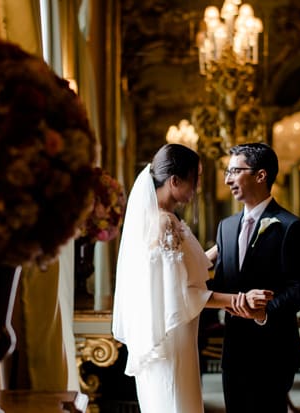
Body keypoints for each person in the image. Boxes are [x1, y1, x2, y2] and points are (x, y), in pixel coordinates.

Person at [112, 143, 272, 413]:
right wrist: (240, 300)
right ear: (174, 181)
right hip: (173, 338)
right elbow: (181, 294)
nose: (197, 187)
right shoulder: (165, 224)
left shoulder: (161, 218)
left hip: (175, 336)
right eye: (195, 179)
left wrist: (226, 246)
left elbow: (181, 269)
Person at [210, 142, 300, 412]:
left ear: (261, 175)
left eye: (235, 171)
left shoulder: (291, 226)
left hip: (274, 350)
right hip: (233, 351)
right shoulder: (226, 227)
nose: (228, 179)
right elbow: (222, 283)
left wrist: (264, 312)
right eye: (227, 171)